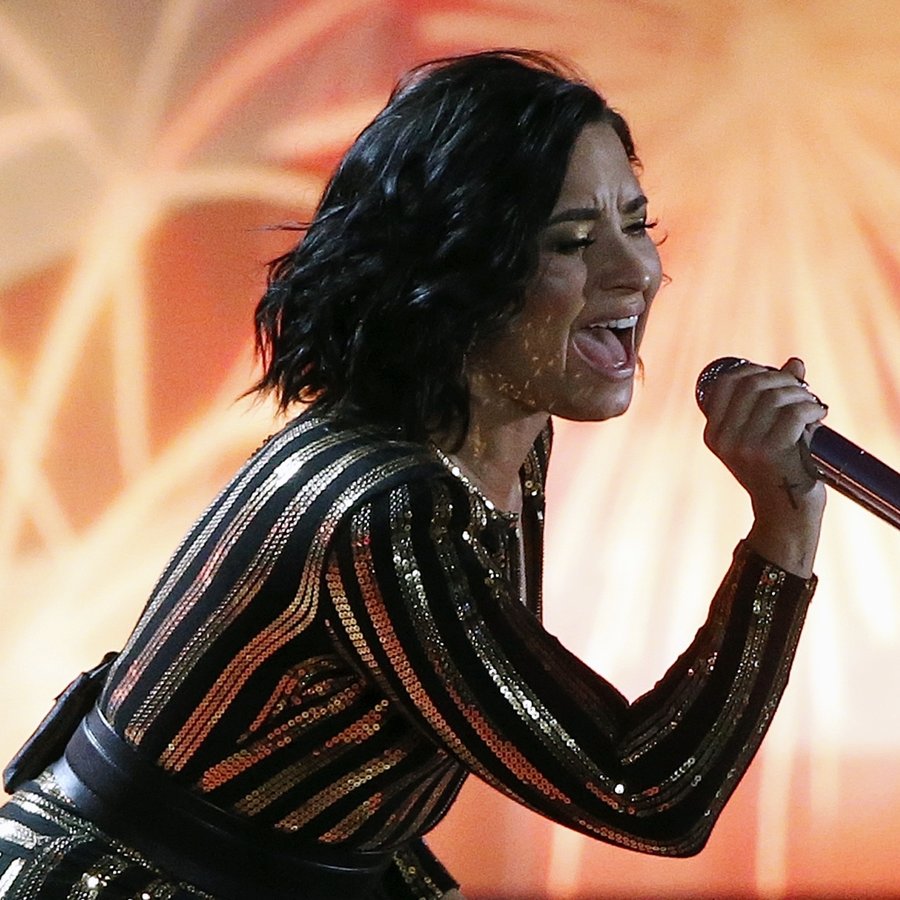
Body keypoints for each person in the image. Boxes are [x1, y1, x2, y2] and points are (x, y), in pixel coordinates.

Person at [0, 49, 826, 900]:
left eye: (637, 223)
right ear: (456, 270)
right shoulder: (383, 511)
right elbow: (649, 794)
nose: (637, 271)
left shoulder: (499, 441)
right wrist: (783, 527)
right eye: (573, 240)